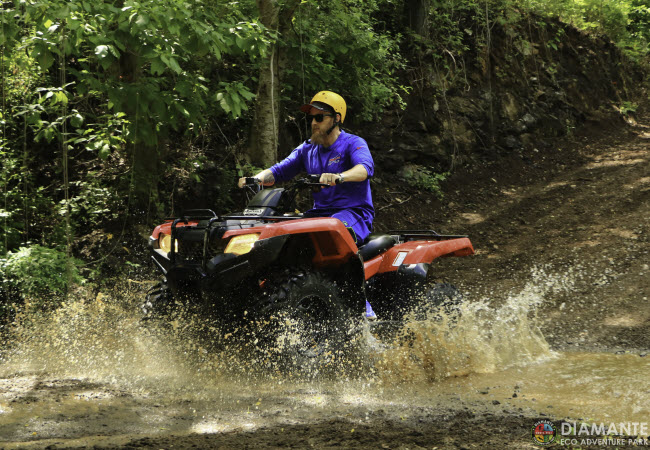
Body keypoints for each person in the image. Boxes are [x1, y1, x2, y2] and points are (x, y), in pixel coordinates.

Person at [238, 91, 375, 244]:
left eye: (319, 117)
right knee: (283, 236)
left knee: (330, 231)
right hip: (319, 215)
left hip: (353, 214)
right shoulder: (308, 149)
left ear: (337, 119)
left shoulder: (353, 143)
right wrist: (255, 179)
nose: (313, 123)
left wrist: (340, 177)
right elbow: (278, 171)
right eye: (311, 118)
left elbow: (364, 169)